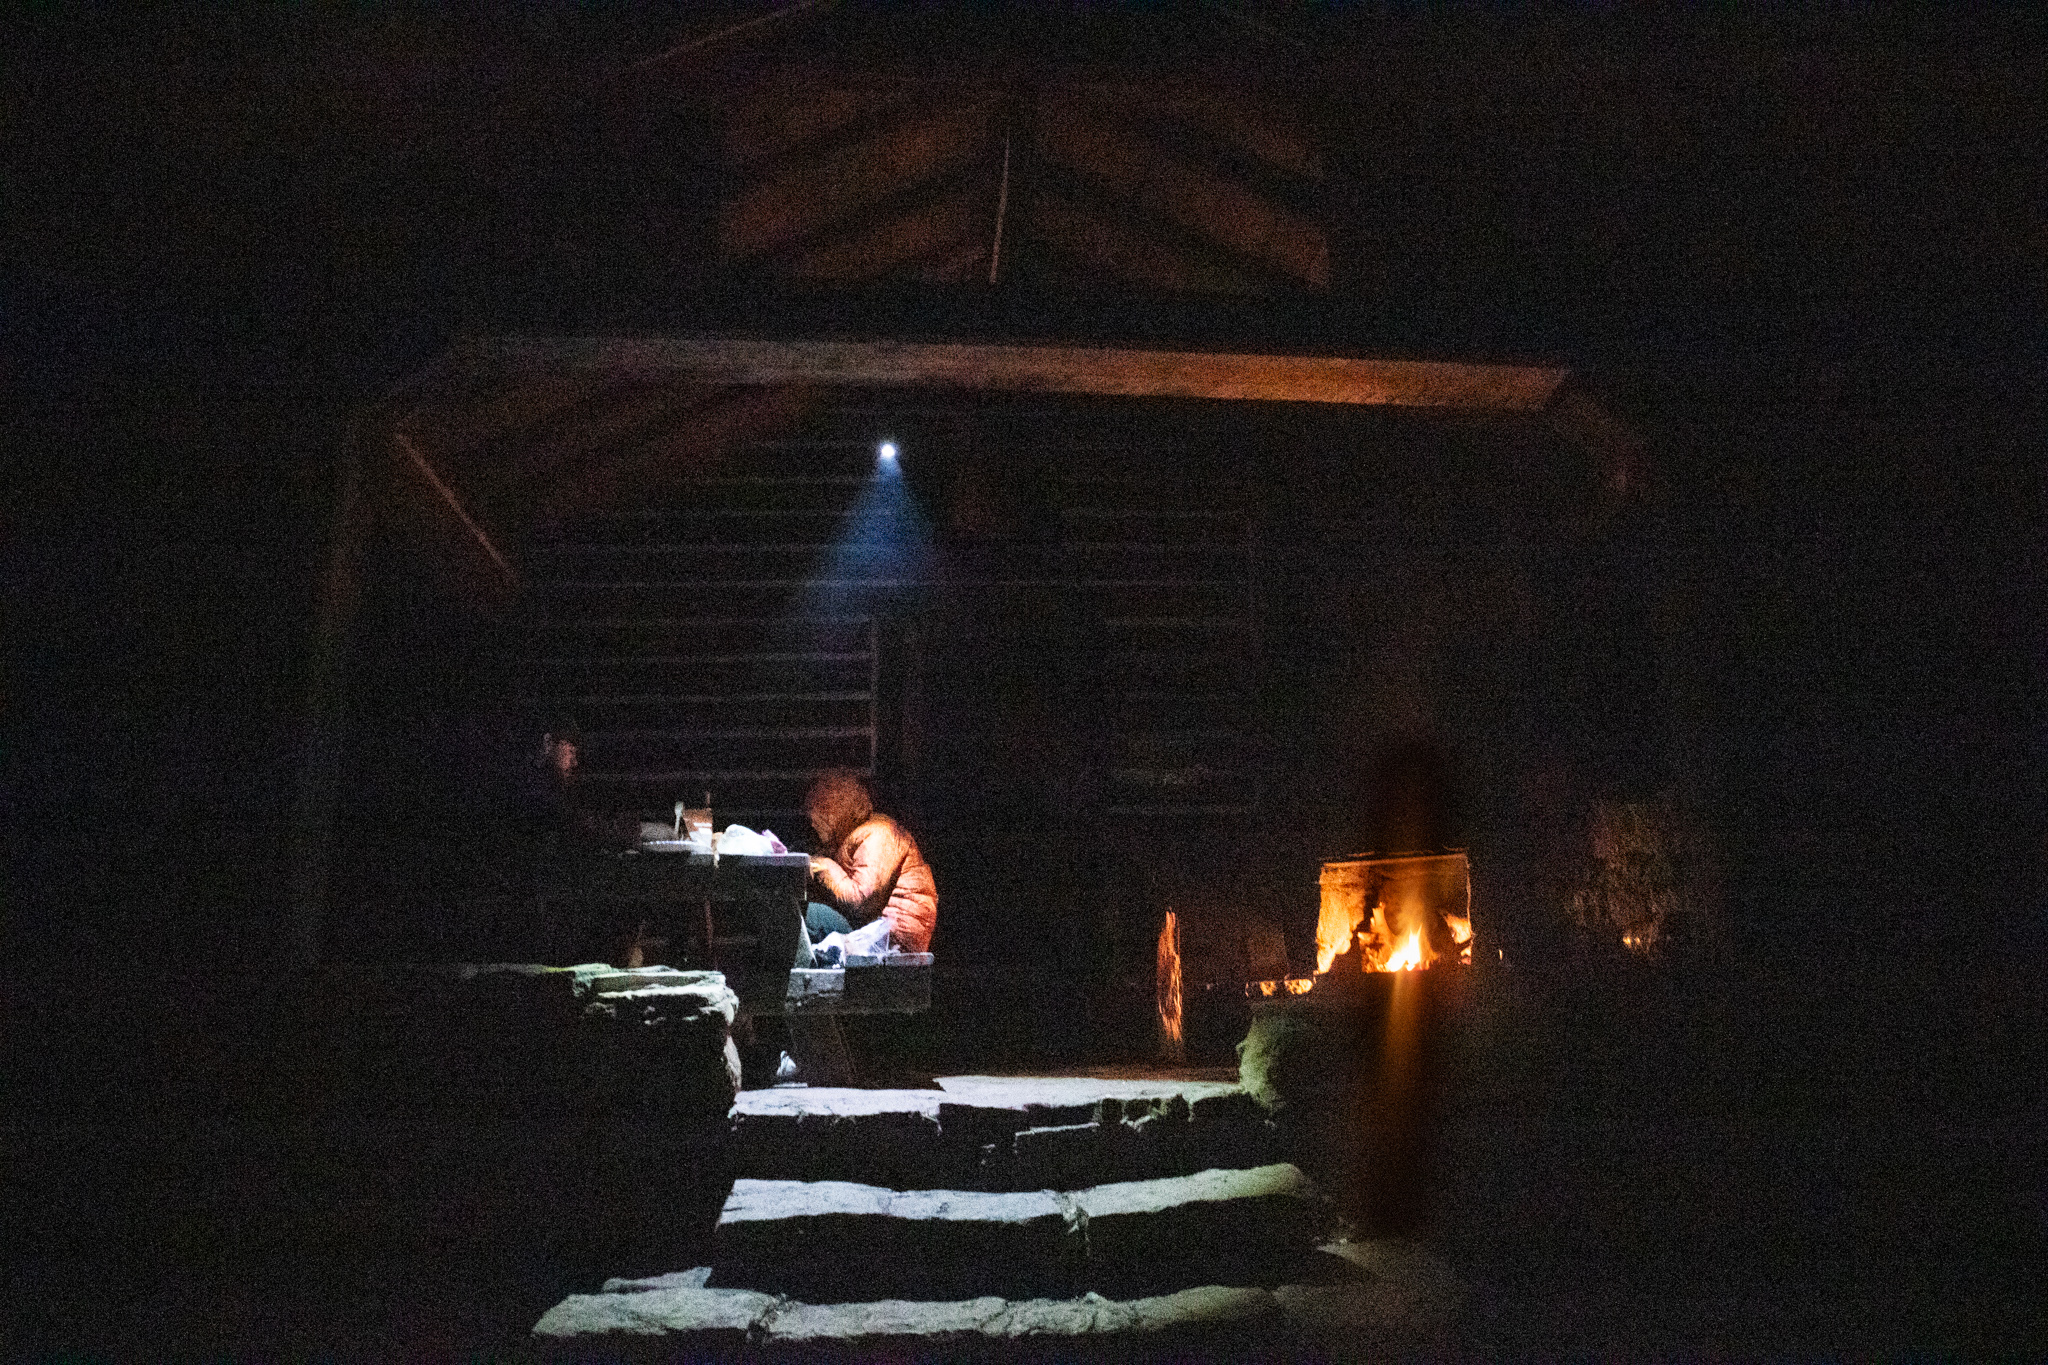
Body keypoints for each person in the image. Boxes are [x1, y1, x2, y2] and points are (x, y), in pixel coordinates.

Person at [800, 768, 938, 959]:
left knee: (804, 915)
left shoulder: (880, 835)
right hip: (872, 932)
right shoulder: (855, 835)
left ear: (838, 810)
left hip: (886, 939)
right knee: (799, 911)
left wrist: (823, 866)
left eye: (821, 813)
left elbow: (860, 901)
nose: (813, 823)